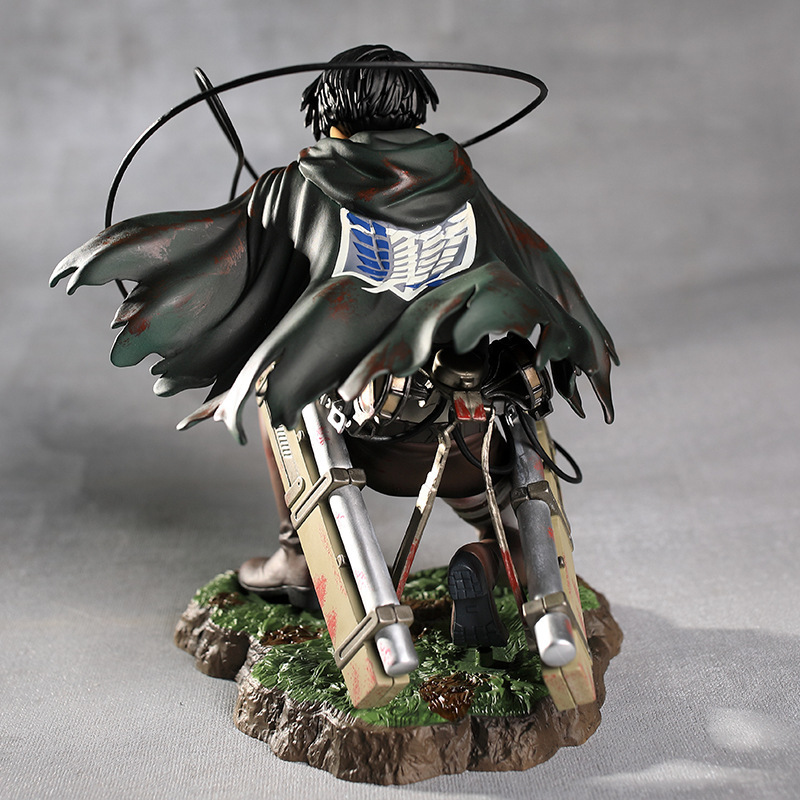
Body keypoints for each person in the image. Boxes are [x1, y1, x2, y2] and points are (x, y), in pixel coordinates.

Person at [52, 45, 617, 648]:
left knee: (276, 386)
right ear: (414, 108)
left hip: (363, 434)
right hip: (473, 437)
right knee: (498, 502)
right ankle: (488, 555)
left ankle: (296, 556)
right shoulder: (464, 183)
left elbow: (225, 268)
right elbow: (540, 271)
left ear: (333, 116)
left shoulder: (295, 187)